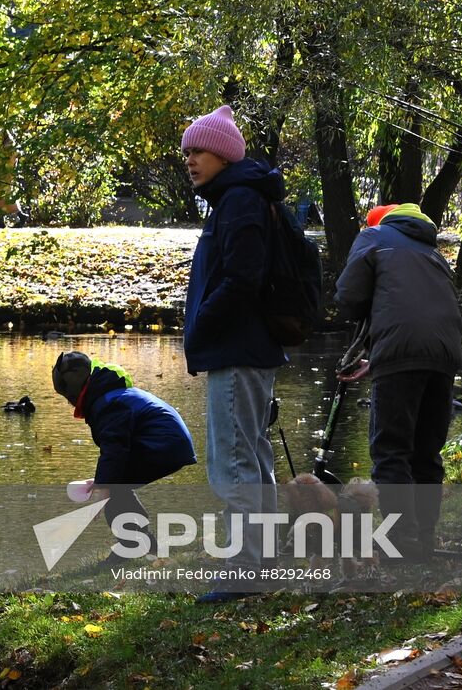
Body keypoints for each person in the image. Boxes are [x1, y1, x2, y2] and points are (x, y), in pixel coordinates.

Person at [181, 104, 288, 602]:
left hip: (236, 347)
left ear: (224, 154)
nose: (189, 160)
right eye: (186, 152)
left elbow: (241, 278)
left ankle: (247, 568)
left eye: (198, 150)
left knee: (236, 460)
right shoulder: (237, 198)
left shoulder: (240, 199)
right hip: (244, 346)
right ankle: (260, 559)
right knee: (253, 455)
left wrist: (203, 324)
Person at [334, 202, 462, 562]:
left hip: (401, 353)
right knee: (426, 451)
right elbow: (414, 308)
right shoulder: (431, 251)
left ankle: (401, 541)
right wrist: (375, 358)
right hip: (445, 353)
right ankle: (423, 538)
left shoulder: (372, 236)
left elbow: (349, 297)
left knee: (391, 451)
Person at [51, 352, 196, 554]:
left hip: (164, 445)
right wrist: (103, 480)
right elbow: (116, 452)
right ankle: (145, 545)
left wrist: (103, 487)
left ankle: (133, 546)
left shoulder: (108, 404)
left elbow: (114, 450)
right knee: (116, 484)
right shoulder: (108, 395)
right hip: (167, 443)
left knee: (113, 491)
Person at [0, 129, 29, 228]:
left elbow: (2, 161)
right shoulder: (8, 147)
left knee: (2, 197)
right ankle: (1, 221)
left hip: (4, 175)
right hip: (3, 175)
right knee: (1, 198)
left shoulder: (8, 148)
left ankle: (19, 215)